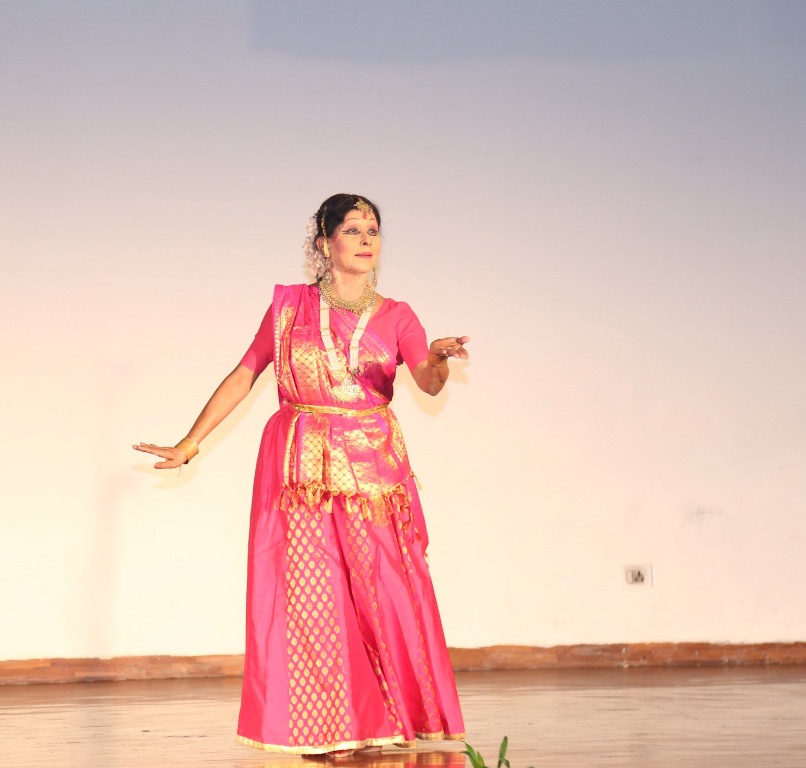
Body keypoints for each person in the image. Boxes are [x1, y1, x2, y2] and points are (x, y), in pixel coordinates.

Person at [133, 193, 468, 757]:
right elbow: (245, 373)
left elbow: (428, 384)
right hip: (301, 467)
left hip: (372, 472)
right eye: (353, 229)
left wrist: (436, 359)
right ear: (323, 243)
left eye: (373, 230)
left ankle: (401, 714)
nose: (366, 239)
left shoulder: (398, 315)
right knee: (315, 595)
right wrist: (190, 443)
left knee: (386, 590)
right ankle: (331, 726)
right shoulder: (290, 308)